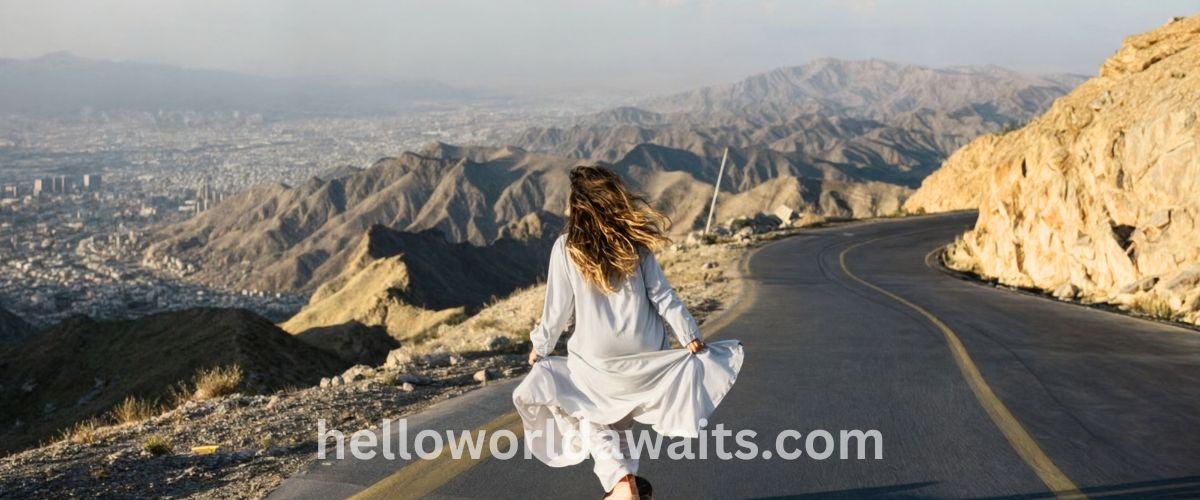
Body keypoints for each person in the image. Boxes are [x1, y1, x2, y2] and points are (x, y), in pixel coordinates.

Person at [513, 164, 744, 500]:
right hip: (645, 354)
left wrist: (541, 347)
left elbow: (557, 311)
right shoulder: (634, 243)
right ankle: (627, 484)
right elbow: (663, 295)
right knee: (617, 418)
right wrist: (688, 334)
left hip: (597, 358)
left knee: (592, 416)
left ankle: (621, 483)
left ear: (580, 205)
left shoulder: (566, 248)